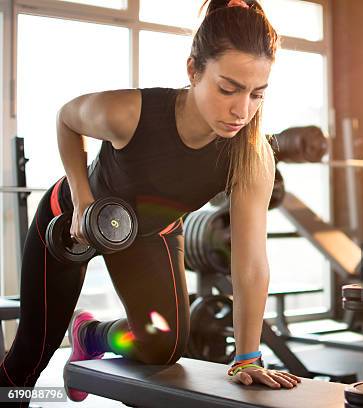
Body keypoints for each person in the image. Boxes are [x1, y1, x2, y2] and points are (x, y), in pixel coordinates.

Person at [0, 0, 300, 405]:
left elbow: (249, 262)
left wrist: (247, 358)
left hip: (148, 232)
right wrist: (83, 199)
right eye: (228, 88)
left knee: (163, 346)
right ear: (193, 70)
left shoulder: (251, 155)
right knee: (28, 359)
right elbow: (67, 118)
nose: (241, 110)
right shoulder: (131, 112)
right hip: (73, 220)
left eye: (256, 95)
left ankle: (90, 334)